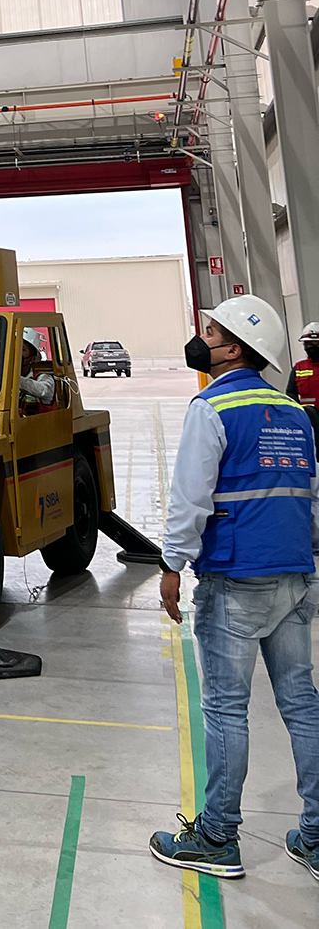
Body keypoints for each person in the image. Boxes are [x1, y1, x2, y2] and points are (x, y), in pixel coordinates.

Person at [150, 295, 319, 883]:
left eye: (213, 333)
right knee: (302, 704)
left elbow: (190, 497)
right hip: (295, 576)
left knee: (225, 709)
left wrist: (172, 564)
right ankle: (317, 836)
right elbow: (311, 497)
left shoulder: (213, 408)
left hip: (235, 582)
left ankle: (218, 837)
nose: (203, 339)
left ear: (236, 350)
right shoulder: (294, 413)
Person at [287, 320, 319, 441]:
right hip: (308, 421)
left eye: (316, 343)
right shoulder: (299, 368)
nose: (313, 347)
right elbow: (291, 393)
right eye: (309, 344)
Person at [19, 337, 55, 407]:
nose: (17, 352)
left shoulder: (45, 379)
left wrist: (14, 379)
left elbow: (42, 391)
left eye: (22, 349)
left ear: (32, 359)